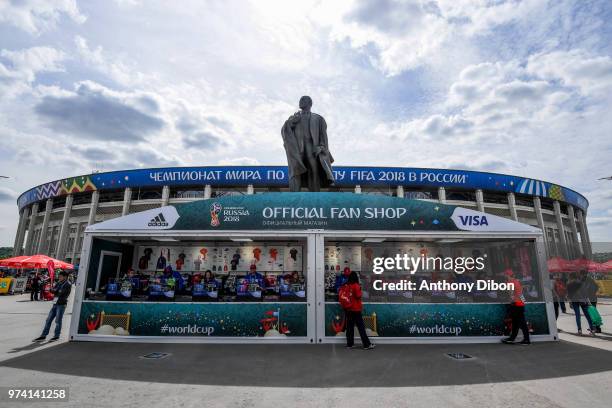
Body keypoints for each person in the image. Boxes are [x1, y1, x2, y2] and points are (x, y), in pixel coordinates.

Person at [33, 271, 72, 342]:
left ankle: (56, 336)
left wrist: (55, 290)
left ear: (65, 277)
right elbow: (52, 290)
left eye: (60, 276)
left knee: (58, 321)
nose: (59, 277)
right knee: (48, 320)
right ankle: (43, 335)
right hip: (55, 303)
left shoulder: (68, 284)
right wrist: (55, 290)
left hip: (61, 304)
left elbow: (61, 293)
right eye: (59, 276)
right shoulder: (59, 282)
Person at [342, 271, 375, 350]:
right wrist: (360, 290)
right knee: (361, 327)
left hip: (349, 309)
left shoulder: (347, 285)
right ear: (356, 278)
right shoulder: (356, 286)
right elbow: (358, 295)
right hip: (356, 309)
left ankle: (349, 344)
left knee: (349, 327)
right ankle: (366, 345)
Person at [501, 270, 530, 345]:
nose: (504, 276)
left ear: (507, 275)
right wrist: (523, 302)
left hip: (516, 305)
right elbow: (520, 293)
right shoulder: (517, 281)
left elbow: (511, 295)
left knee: (520, 322)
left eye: (505, 275)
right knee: (516, 322)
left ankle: (526, 340)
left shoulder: (510, 283)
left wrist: (510, 301)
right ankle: (513, 338)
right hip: (520, 304)